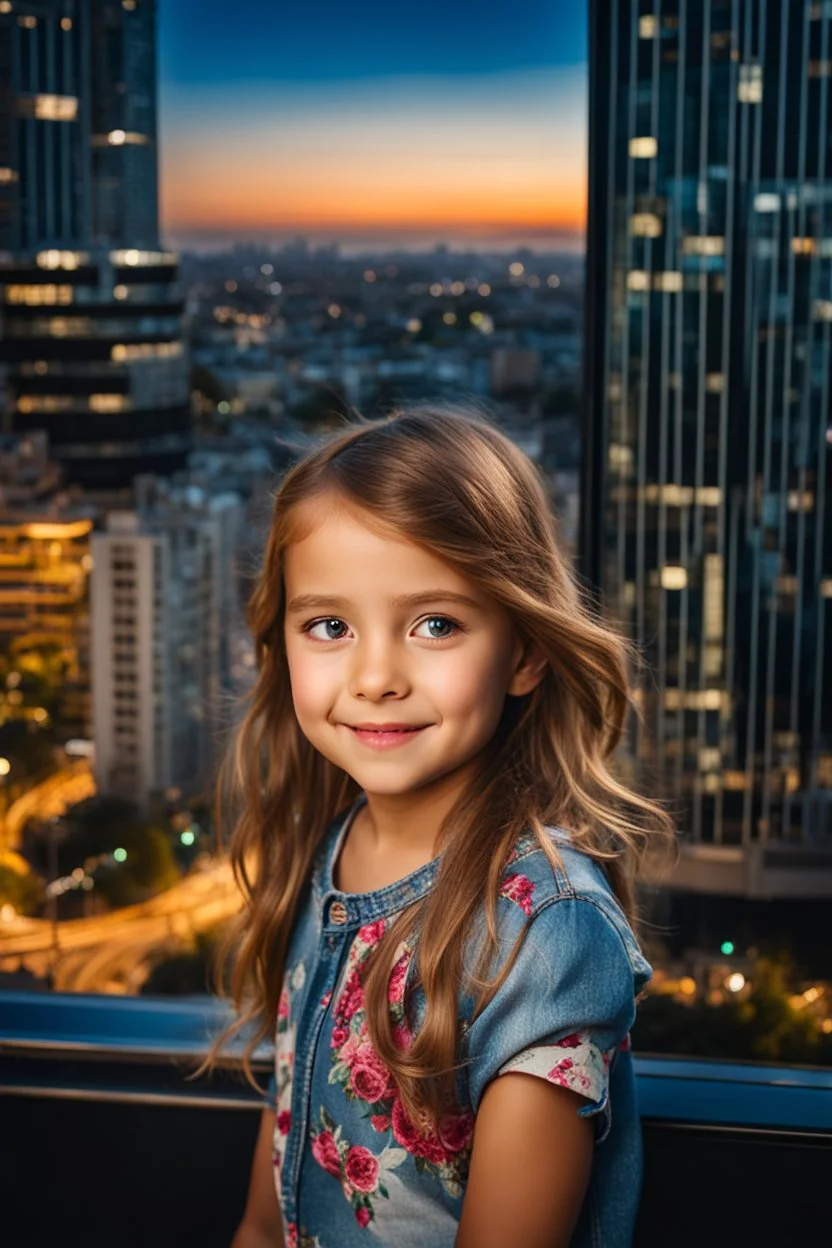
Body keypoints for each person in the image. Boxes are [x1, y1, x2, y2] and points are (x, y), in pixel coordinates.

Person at [212, 405, 676, 1248]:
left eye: (436, 625)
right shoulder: (330, 848)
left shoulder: (545, 934)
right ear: (281, 642)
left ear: (526, 651)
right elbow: (266, 1208)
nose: (376, 676)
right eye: (330, 626)